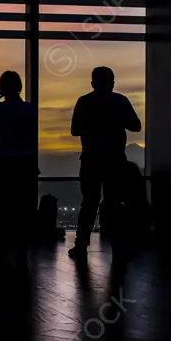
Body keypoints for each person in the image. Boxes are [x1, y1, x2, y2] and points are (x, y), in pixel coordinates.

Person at [68, 67, 142, 257]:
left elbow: (75, 130)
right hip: (115, 159)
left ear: (92, 83)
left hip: (91, 158)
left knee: (89, 203)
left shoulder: (84, 102)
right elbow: (136, 126)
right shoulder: (121, 101)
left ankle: (81, 244)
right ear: (112, 83)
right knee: (115, 203)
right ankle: (119, 245)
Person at [0, 70, 40, 240]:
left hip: (3, 160)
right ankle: (21, 239)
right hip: (26, 161)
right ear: (19, 87)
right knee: (23, 203)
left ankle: (0, 238)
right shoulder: (29, 109)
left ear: (1, 88)